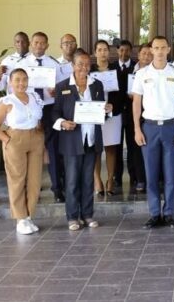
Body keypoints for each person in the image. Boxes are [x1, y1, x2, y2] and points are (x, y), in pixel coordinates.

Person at [53, 49, 112, 230]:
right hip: (72, 140)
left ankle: (87, 214)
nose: (84, 68)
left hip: (91, 140)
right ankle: (72, 217)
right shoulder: (62, 86)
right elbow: (54, 112)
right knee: (71, 181)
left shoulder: (97, 85)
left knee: (88, 180)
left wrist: (107, 110)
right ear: (72, 65)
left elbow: (101, 113)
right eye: (80, 64)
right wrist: (62, 123)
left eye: (87, 64)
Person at [133, 36, 174, 229]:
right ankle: (155, 213)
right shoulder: (141, 74)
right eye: (156, 48)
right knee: (151, 174)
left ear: (169, 49)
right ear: (151, 50)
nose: (160, 51)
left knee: (171, 173)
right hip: (149, 127)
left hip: (171, 127)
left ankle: (169, 213)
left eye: (163, 47)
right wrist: (137, 129)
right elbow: (136, 103)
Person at [0, 68, 44, 235]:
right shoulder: (6, 101)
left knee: (35, 180)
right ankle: (20, 218)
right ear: (11, 83)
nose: (21, 83)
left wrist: (40, 136)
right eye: (17, 80)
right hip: (15, 139)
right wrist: (7, 140)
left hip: (35, 138)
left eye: (24, 79)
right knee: (17, 179)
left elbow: (39, 119)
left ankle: (29, 216)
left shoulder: (34, 97)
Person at [18, 32, 63, 203]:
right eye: (36, 42)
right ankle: (31, 191)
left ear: (47, 45)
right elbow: (14, 88)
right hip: (29, 109)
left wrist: (55, 91)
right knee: (31, 151)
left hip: (50, 109)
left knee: (53, 150)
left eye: (42, 43)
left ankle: (57, 189)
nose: (39, 46)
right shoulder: (22, 64)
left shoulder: (54, 64)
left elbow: (63, 87)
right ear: (31, 44)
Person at [91, 40, 122, 196]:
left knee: (111, 148)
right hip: (94, 114)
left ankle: (110, 180)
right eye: (99, 49)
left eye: (105, 50)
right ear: (95, 52)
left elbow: (122, 94)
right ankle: (97, 180)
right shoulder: (89, 70)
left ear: (109, 53)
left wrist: (113, 107)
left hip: (113, 114)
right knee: (96, 150)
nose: (102, 53)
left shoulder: (116, 70)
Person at [114, 40, 139, 192]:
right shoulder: (112, 68)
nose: (124, 53)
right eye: (121, 50)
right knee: (116, 147)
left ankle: (133, 176)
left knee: (132, 146)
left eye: (127, 50)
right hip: (116, 112)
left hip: (131, 112)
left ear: (131, 51)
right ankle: (117, 177)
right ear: (117, 51)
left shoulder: (136, 68)